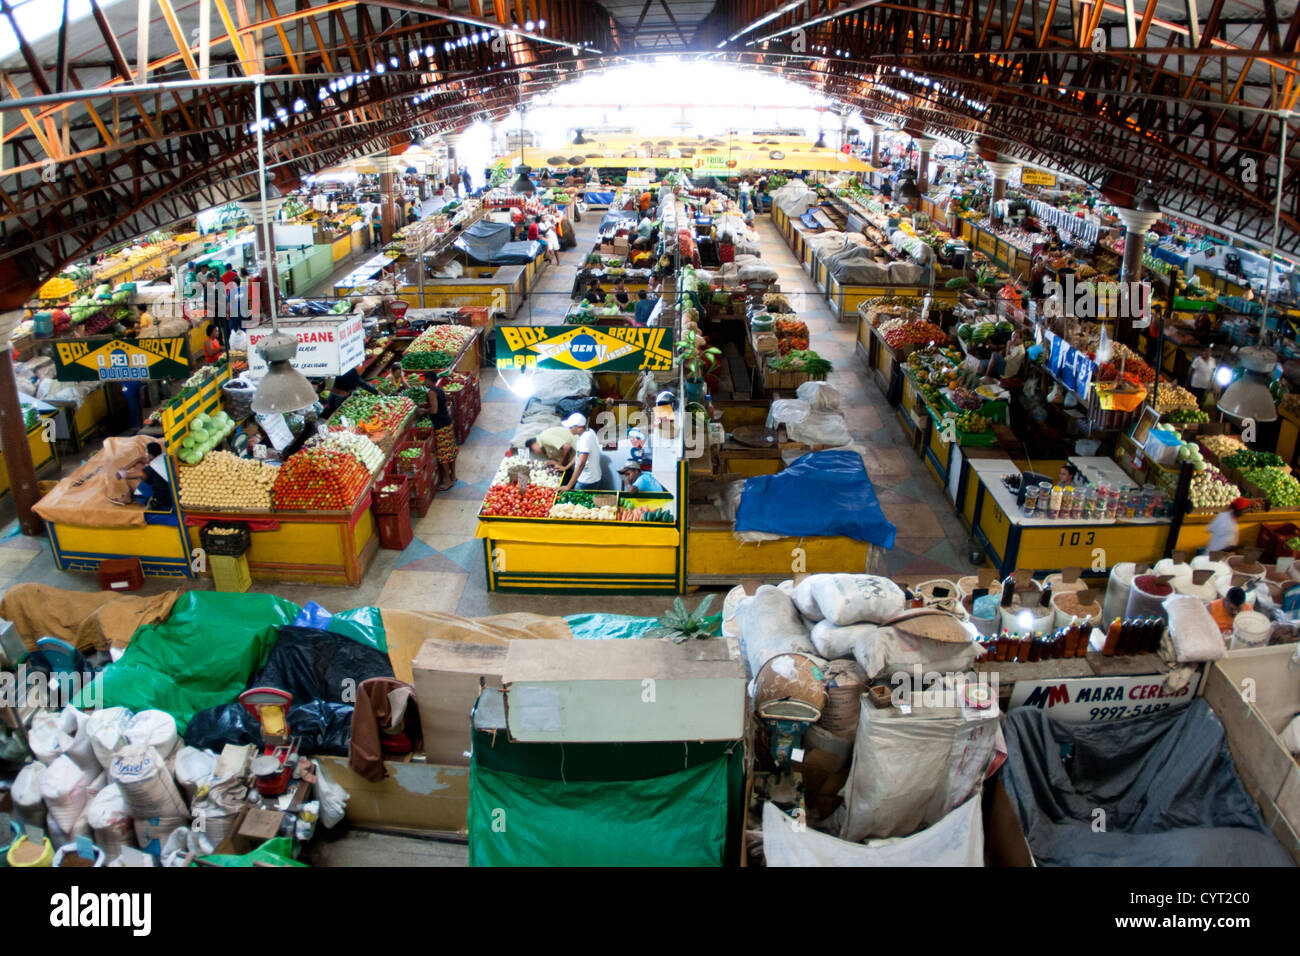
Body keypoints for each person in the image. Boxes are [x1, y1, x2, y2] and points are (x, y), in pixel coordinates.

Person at [423, 373, 458, 491]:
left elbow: (434, 410)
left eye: (425, 380)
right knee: (451, 450)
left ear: (429, 380)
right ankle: (453, 476)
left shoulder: (431, 392)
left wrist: (423, 411)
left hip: (440, 425)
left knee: (443, 454)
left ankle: (448, 481)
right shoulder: (439, 389)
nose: (424, 382)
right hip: (447, 422)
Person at [117, 441, 172, 510]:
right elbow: (141, 460)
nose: (145, 455)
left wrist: (120, 472)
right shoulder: (163, 457)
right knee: (138, 465)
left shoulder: (153, 466)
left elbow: (125, 475)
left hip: (159, 500)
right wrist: (138, 460)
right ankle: (128, 496)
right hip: (166, 490)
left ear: (151, 456)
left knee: (130, 479)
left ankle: (128, 498)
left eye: (146, 453)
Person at [558, 413, 602, 492]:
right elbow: (578, 455)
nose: (569, 429)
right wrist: (566, 467)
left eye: (571, 427)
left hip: (587, 480)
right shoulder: (588, 433)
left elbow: (581, 463)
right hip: (591, 476)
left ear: (578, 427)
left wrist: (568, 486)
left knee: (579, 503)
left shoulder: (584, 439)